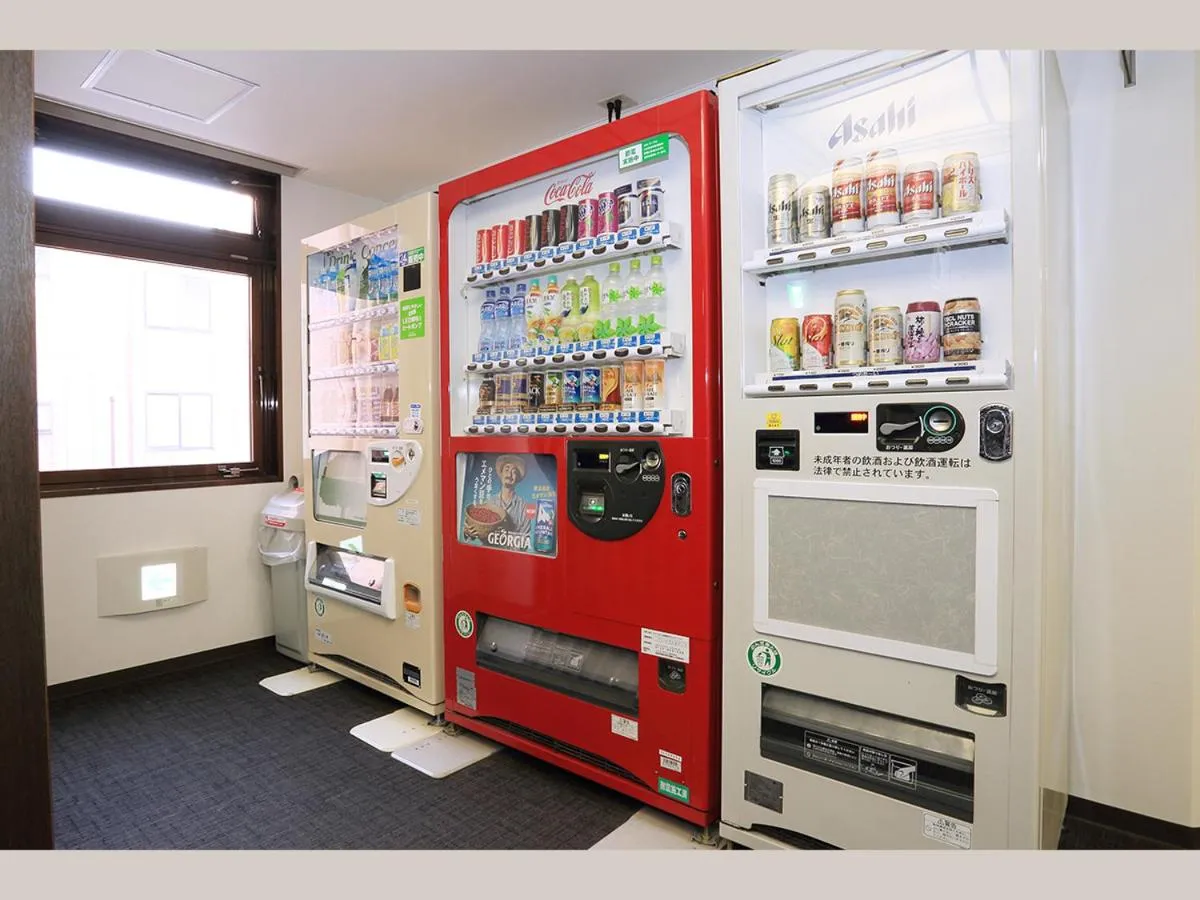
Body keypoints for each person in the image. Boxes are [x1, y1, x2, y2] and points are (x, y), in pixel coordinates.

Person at [463, 454, 533, 540]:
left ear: (517, 478)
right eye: (506, 469)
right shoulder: (489, 502)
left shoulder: (524, 507)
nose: (509, 474)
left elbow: (525, 539)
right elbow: (476, 535)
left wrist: (504, 539)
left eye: (514, 472)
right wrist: (468, 533)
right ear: (501, 474)